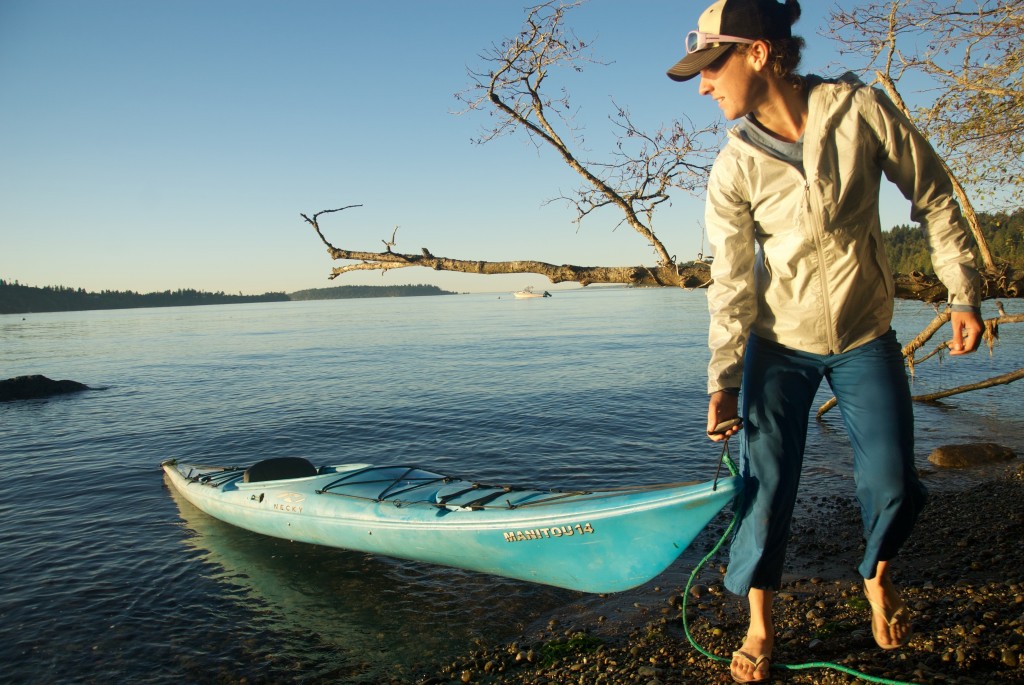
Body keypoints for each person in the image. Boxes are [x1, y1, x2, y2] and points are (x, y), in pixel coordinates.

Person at [664, 0, 985, 682]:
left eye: (711, 65)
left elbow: (932, 194)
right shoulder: (733, 166)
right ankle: (759, 623)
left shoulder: (859, 113)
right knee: (765, 486)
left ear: (757, 53)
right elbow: (729, 281)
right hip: (777, 346)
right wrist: (723, 377)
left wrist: (961, 289)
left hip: (864, 336)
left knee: (894, 480)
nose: (703, 84)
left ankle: (876, 573)